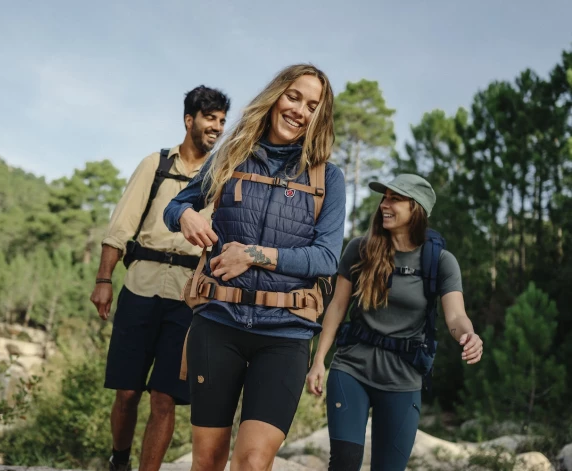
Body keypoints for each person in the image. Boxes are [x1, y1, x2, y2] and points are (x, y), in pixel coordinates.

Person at [163, 64, 346, 471]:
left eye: (312, 105)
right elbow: (176, 207)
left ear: (320, 116)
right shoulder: (232, 154)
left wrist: (254, 253)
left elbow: (327, 258)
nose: (300, 110)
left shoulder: (328, 178)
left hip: (285, 334)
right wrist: (186, 217)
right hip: (218, 324)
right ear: (277, 95)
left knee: (252, 461)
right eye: (294, 97)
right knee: (207, 460)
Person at [90, 85, 230, 471]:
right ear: (189, 120)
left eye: (221, 120)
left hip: (188, 299)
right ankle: (119, 460)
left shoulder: (222, 178)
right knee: (127, 392)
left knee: (164, 398)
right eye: (209, 118)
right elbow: (120, 227)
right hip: (140, 287)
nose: (217, 127)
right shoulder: (155, 165)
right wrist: (104, 280)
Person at [306, 174, 484, 471]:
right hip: (352, 369)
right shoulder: (360, 249)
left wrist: (468, 335)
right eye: (384, 198)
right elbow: (336, 307)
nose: (384, 205)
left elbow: (455, 316)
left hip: (403, 379)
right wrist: (319, 360)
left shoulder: (440, 261)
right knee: (345, 462)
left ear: (416, 208)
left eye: (394, 199)